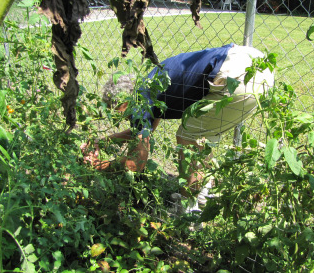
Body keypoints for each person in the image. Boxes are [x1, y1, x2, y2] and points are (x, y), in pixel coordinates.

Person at [82, 43, 274, 212]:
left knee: (188, 137)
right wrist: (102, 141)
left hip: (234, 77)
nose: (123, 118)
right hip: (259, 67)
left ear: (125, 99)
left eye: (120, 111)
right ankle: (203, 195)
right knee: (205, 133)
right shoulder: (150, 83)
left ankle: (187, 209)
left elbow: (136, 164)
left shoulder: (140, 98)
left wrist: (98, 166)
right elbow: (143, 132)